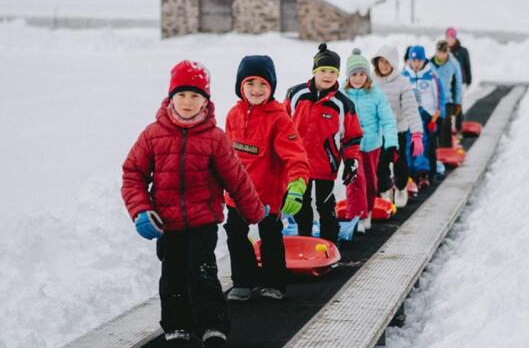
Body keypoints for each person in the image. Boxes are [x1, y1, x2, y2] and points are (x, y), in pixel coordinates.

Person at [121, 60, 267, 348]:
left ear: (205, 101)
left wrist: (254, 210)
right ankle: (177, 325)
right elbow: (133, 173)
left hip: (203, 221)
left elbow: (236, 178)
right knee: (172, 274)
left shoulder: (214, 138)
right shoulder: (153, 134)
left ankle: (213, 325)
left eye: (195, 96)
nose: (188, 102)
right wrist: (141, 210)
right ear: (171, 97)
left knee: (202, 271)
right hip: (167, 223)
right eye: (182, 95)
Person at [224, 55, 310, 301]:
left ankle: (274, 282)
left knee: (270, 235)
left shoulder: (279, 117)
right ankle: (244, 280)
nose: (256, 90)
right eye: (250, 83)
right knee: (235, 233)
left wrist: (296, 185)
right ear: (241, 85)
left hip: (268, 192)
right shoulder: (233, 115)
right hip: (237, 193)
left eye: (263, 84)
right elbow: (224, 154)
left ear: (271, 86)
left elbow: (296, 156)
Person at [285, 43, 363, 243]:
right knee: (301, 205)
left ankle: (330, 241)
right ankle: (305, 238)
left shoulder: (343, 104)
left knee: (325, 205)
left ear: (338, 75)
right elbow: (281, 127)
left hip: (325, 165)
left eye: (332, 71)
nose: (327, 75)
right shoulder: (295, 95)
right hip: (297, 165)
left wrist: (351, 162)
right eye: (323, 70)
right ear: (314, 72)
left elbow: (352, 137)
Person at [342, 48, 398, 231]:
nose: (358, 78)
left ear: (367, 75)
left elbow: (388, 120)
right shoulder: (343, 95)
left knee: (370, 181)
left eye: (361, 74)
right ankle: (356, 216)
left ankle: (368, 210)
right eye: (354, 74)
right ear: (348, 76)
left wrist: (391, 144)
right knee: (354, 180)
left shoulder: (376, 94)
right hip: (351, 147)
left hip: (372, 145)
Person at [371, 45, 423, 208]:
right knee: (381, 164)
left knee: (400, 163)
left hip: (398, 130)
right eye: (381, 62)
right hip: (379, 132)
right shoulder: (371, 81)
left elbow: (411, 109)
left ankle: (400, 187)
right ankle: (385, 190)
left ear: (393, 63)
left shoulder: (402, 83)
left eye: (387, 62)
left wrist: (416, 134)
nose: (384, 66)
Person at [401, 45, 445, 186]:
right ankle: (408, 171)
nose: (416, 64)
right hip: (408, 115)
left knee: (423, 143)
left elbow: (439, 97)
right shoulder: (404, 75)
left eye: (419, 61)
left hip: (427, 115)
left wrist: (437, 117)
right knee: (408, 142)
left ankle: (422, 172)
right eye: (413, 61)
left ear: (423, 60)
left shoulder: (431, 76)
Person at [431, 40, 463, 148]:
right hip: (433, 101)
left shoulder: (453, 64)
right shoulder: (429, 65)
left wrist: (457, 102)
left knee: (446, 123)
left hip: (447, 100)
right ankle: (434, 151)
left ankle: (446, 150)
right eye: (439, 52)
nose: (441, 55)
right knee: (434, 125)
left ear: (447, 52)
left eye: (444, 52)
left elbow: (458, 84)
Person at [446, 27, 472, 131]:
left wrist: (469, 80)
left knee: (458, 104)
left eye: (451, 38)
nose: (449, 40)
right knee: (448, 105)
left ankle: (458, 127)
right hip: (448, 83)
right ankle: (448, 128)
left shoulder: (463, 51)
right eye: (448, 38)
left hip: (460, 82)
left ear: (455, 38)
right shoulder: (445, 51)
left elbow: (467, 66)